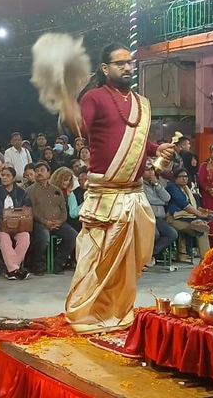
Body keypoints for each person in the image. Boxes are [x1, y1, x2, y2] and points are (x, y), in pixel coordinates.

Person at [61, 42, 176, 334]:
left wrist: (156, 148)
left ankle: (118, 312)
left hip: (134, 195)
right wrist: (67, 99)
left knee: (127, 263)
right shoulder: (95, 97)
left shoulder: (141, 102)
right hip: (105, 197)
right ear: (105, 68)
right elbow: (80, 128)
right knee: (96, 259)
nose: (127, 67)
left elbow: (137, 140)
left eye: (129, 62)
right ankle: (86, 312)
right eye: (120, 63)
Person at [27, 161, 77, 276]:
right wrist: (46, 222)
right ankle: (38, 266)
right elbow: (32, 210)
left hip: (58, 222)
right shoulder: (30, 190)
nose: (39, 173)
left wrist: (60, 221)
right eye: (37, 171)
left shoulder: (56, 189)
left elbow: (63, 209)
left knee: (73, 236)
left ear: (49, 174)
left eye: (42, 170)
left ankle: (58, 264)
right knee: (44, 237)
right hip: (40, 223)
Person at [0, 166, 31, 280]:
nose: (4, 178)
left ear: (13, 178)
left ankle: (12, 270)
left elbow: (27, 209)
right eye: (3, 175)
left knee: (25, 237)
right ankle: (14, 269)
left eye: (8, 175)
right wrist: (2, 218)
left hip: (18, 225)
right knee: (4, 237)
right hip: (0, 225)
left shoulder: (22, 192)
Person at [166, 168, 212, 258]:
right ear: (175, 178)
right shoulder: (172, 187)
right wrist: (200, 214)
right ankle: (207, 259)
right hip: (173, 218)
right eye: (181, 177)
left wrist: (201, 210)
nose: (184, 179)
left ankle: (198, 222)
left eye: (186, 176)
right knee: (201, 230)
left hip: (188, 217)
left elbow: (194, 204)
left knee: (208, 219)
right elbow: (184, 205)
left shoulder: (187, 189)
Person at [142, 163, 177, 265]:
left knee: (172, 234)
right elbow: (147, 200)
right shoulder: (140, 184)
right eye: (148, 170)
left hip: (160, 217)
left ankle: (152, 254)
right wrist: (161, 202)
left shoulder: (157, 183)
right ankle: (148, 256)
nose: (151, 173)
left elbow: (167, 198)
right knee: (155, 234)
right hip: (148, 216)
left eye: (152, 170)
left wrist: (157, 185)